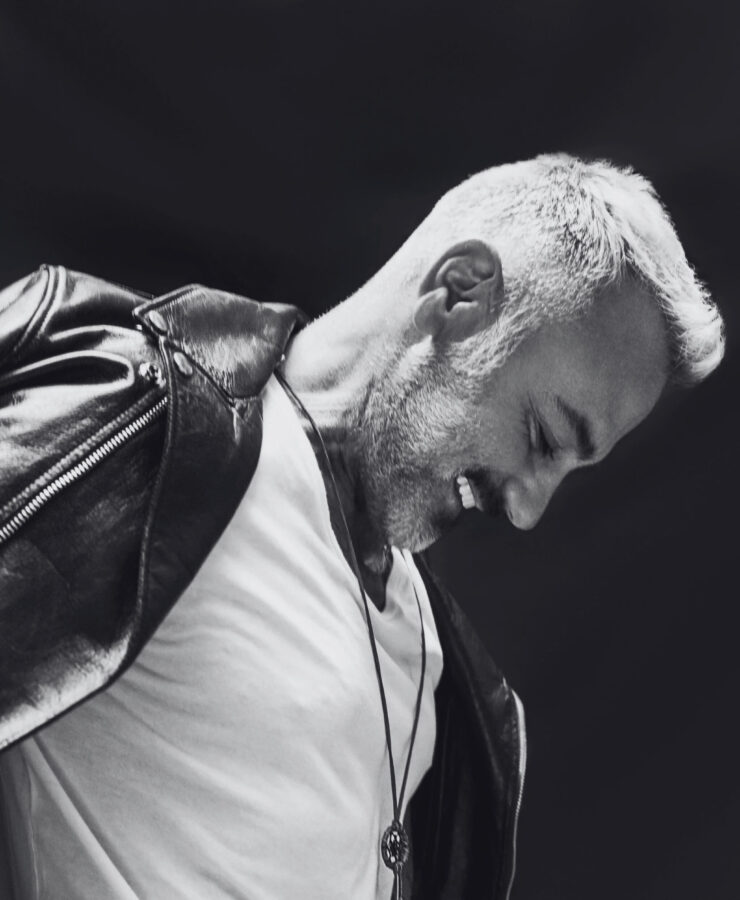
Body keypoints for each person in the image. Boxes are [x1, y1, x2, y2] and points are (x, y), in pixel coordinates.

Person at [0, 154, 724, 900]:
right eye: (542, 436)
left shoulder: (442, 673)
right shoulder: (149, 436)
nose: (527, 509)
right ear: (460, 293)